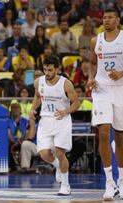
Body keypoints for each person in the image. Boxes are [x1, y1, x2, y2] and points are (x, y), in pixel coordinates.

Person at [30, 55, 79, 196]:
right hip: (45, 121)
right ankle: (58, 165)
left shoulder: (66, 84)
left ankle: (65, 185)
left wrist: (66, 111)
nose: (47, 73)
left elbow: (76, 102)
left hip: (61, 120)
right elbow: (38, 97)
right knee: (44, 154)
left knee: (60, 152)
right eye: (45, 69)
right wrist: (33, 110)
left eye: (50, 70)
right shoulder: (38, 82)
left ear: (57, 69)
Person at [87, 8, 123, 201]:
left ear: (117, 19)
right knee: (103, 131)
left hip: (121, 89)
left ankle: (122, 181)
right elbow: (92, 63)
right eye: (104, 17)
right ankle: (109, 183)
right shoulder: (96, 41)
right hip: (101, 90)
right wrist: (91, 77)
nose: (106, 20)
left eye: (110, 17)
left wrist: (121, 73)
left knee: (120, 136)